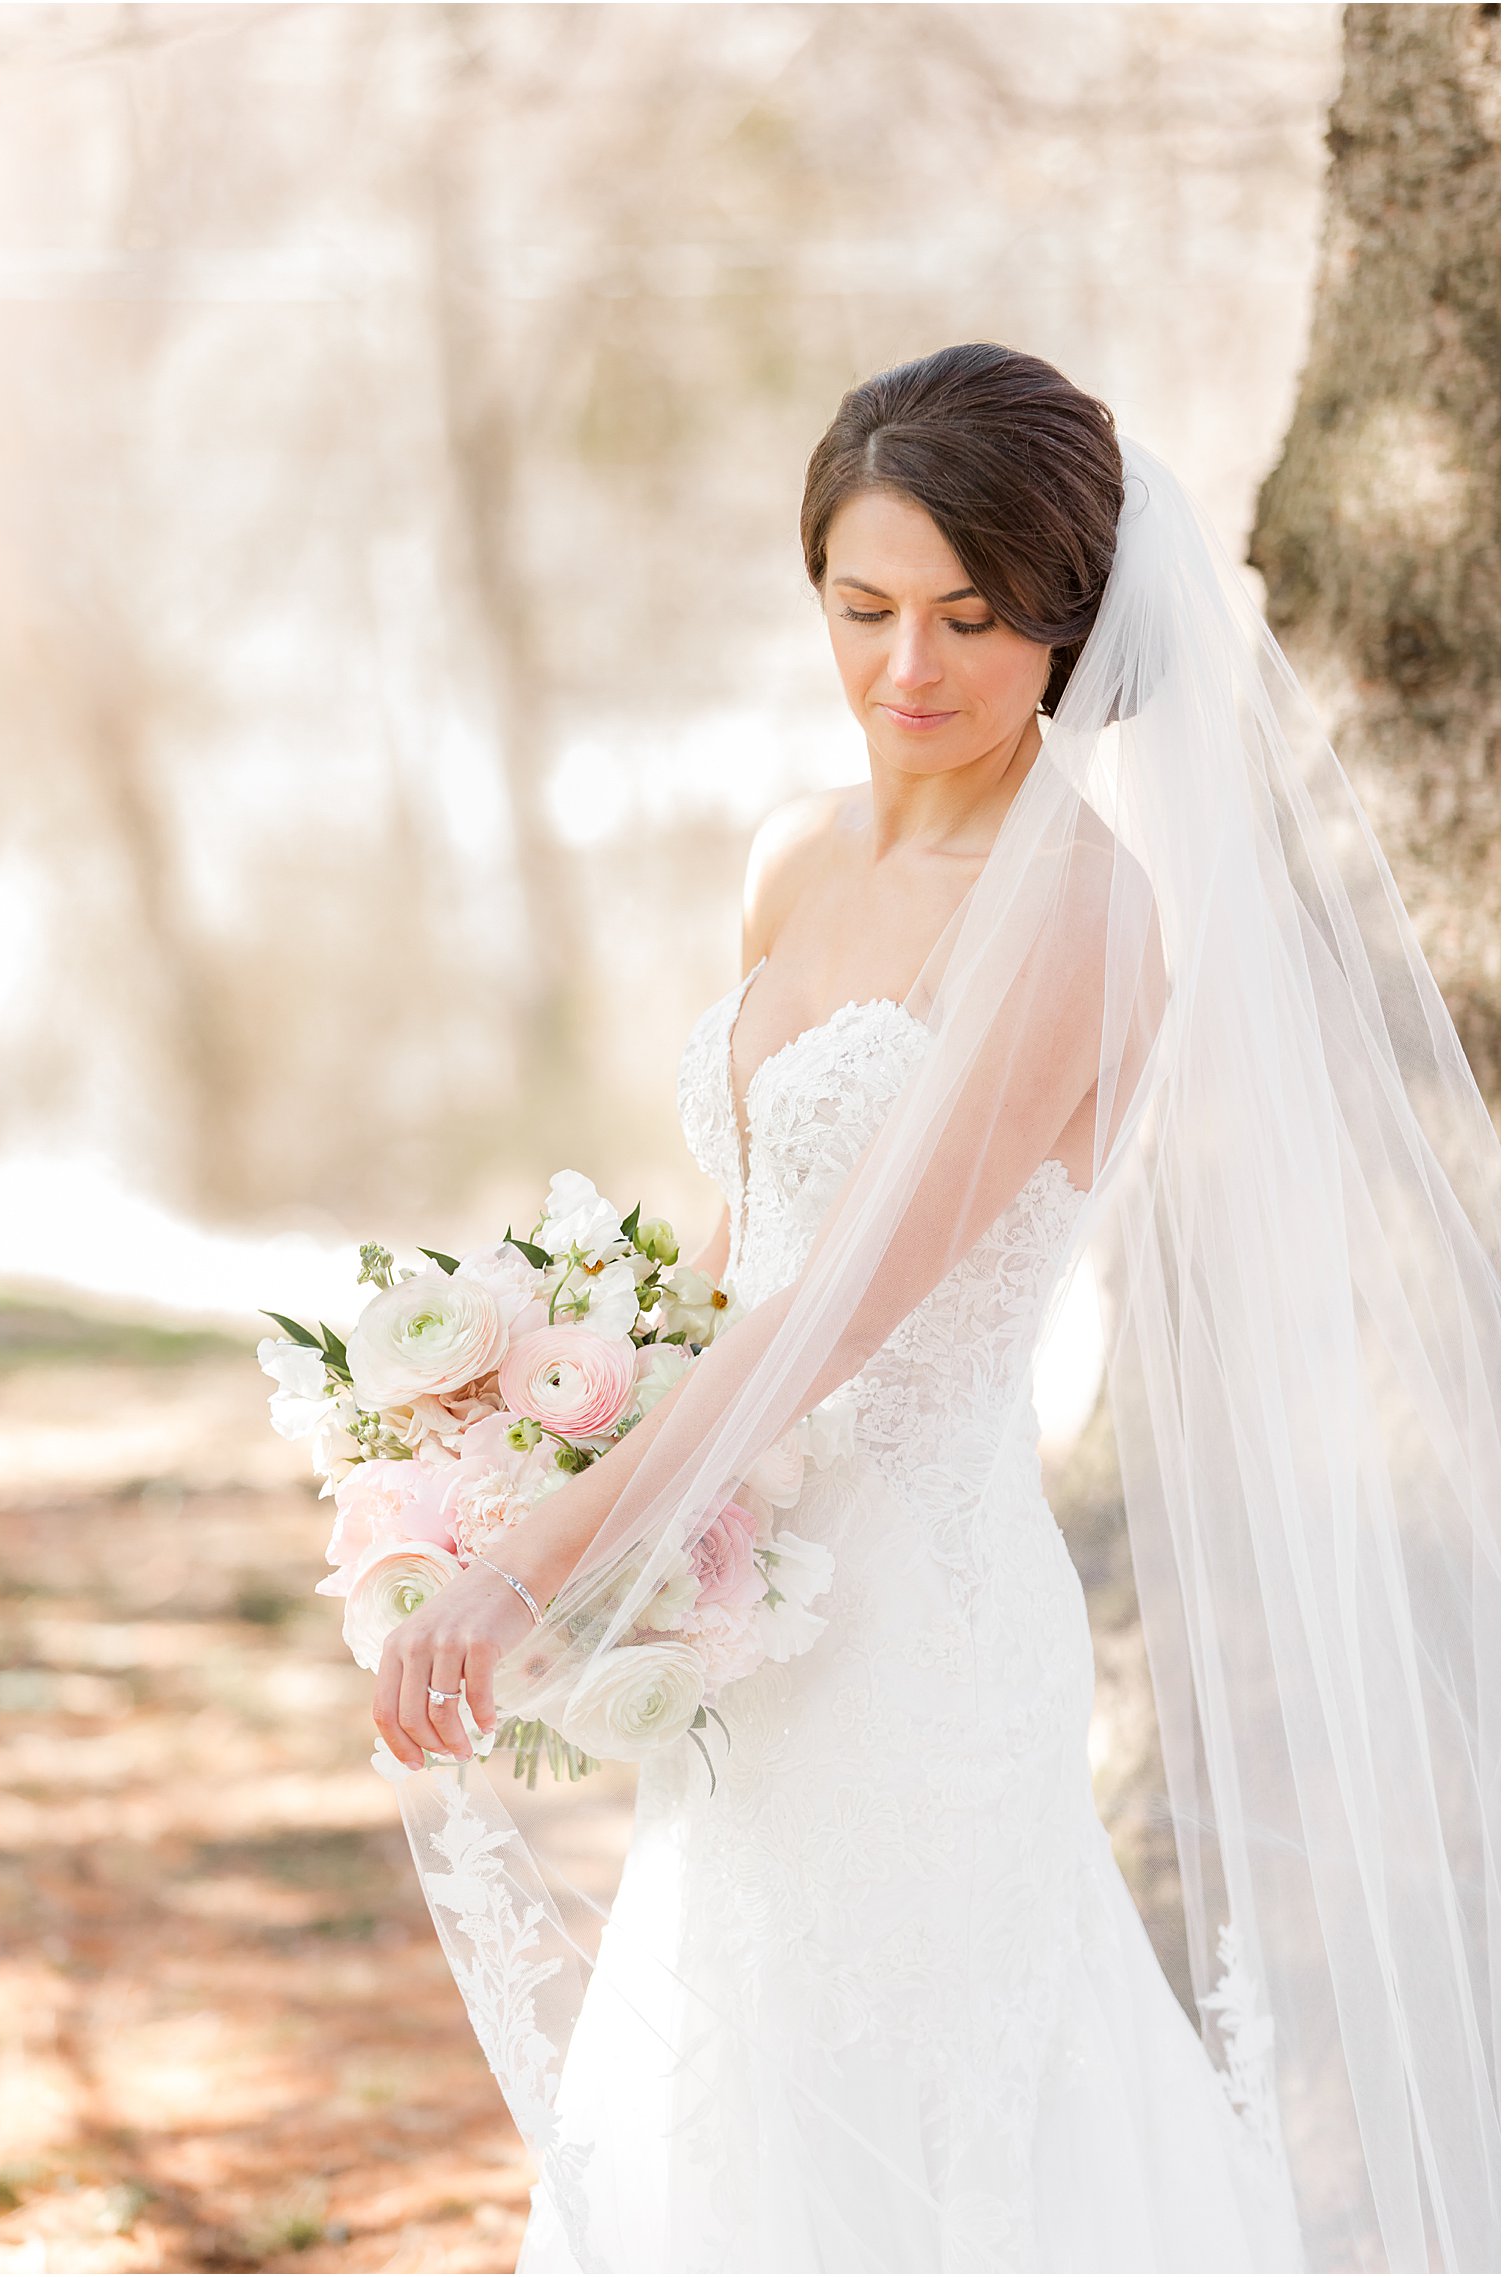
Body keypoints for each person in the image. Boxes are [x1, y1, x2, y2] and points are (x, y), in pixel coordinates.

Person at [375, 345, 1499, 2275]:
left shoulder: (1076, 912)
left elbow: (837, 1312)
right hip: (755, 1602)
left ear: (1067, 621)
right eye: (864, 605)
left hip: (922, 1636)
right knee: (737, 2106)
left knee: (921, 2140)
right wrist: (528, 1406)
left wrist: (533, 1569)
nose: (912, 666)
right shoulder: (793, 854)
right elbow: (741, 1239)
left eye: (973, 618)